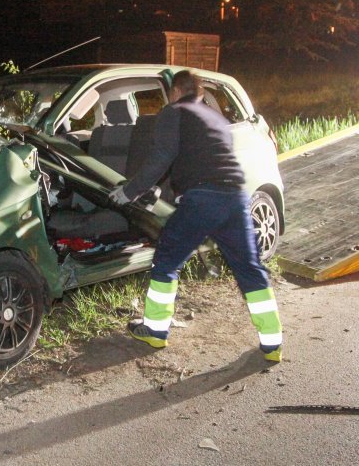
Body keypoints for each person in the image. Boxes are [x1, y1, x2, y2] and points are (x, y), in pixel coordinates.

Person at [108, 70, 283, 362]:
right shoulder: (217, 118)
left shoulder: (173, 112)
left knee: (166, 257)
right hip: (236, 198)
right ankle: (272, 343)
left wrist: (129, 191)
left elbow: (161, 158)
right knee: (249, 268)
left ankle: (155, 330)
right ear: (200, 93)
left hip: (203, 199)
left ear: (175, 92)